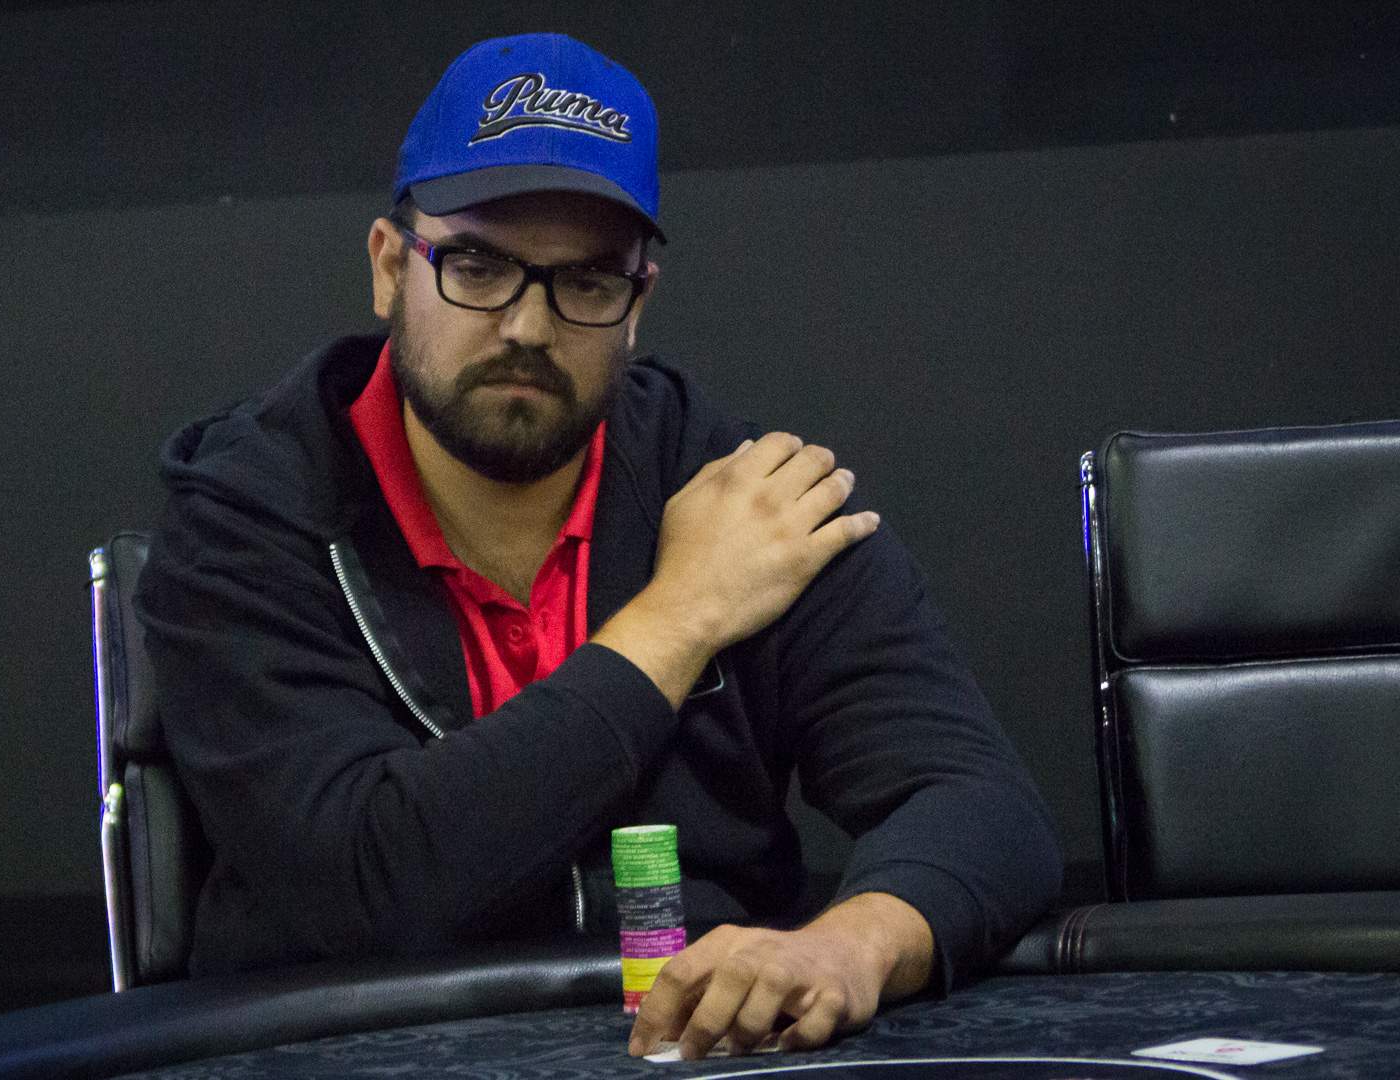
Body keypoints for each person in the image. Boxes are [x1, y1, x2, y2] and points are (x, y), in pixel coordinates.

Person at [135, 32, 1061, 1059]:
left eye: (585, 282)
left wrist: (850, 945)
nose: (529, 327)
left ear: (637, 305)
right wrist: (680, 617)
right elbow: (372, 881)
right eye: (478, 266)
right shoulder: (248, 519)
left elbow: (984, 806)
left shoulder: (738, 496)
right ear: (390, 267)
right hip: (353, 1053)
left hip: (688, 1055)